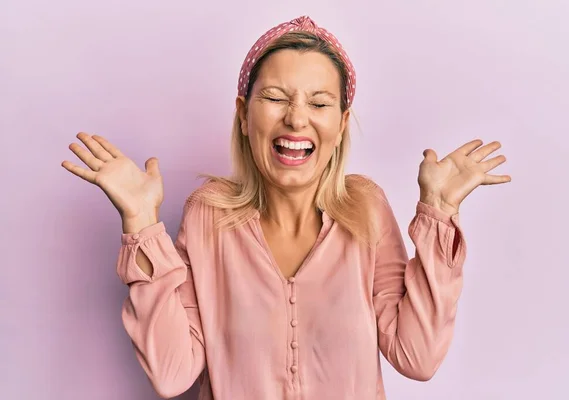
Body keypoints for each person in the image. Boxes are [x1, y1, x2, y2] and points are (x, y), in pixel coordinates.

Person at [61, 15, 510, 400]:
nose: (296, 118)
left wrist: (440, 209)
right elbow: (172, 372)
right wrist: (140, 221)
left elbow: (418, 356)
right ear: (243, 113)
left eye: (319, 103)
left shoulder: (366, 208)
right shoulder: (207, 215)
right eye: (275, 98)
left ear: (341, 123)